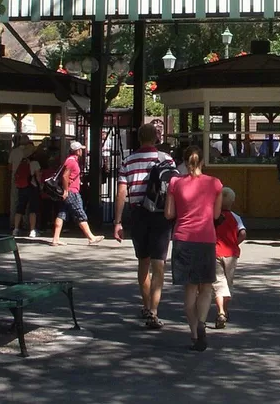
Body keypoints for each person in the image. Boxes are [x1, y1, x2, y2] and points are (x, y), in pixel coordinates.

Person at [114, 123, 177, 330]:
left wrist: (118, 222)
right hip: (160, 216)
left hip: (139, 214)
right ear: (156, 138)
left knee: (143, 262)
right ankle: (154, 310)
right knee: (159, 265)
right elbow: (174, 188)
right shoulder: (166, 159)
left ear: (139, 138)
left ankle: (145, 304)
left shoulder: (128, 161)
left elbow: (122, 193)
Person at [164, 145, 223, 351]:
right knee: (206, 287)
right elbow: (216, 216)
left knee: (189, 289)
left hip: (183, 238)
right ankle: (203, 322)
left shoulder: (174, 183)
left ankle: (194, 333)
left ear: (184, 161)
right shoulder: (215, 184)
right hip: (206, 238)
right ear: (203, 162)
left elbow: (169, 213)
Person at [51, 141, 105, 247]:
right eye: (80, 149)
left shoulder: (70, 160)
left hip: (69, 191)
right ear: (77, 151)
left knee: (62, 214)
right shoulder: (71, 162)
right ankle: (91, 237)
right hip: (72, 192)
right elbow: (65, 176)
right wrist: (66, 190)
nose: (82, 151)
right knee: (80, 213)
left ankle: (55, 239)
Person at [213, 187, 247, 329]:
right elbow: (243, 233)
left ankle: (220, 311)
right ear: (232, 202)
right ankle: (225, 310)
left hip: (215, 252)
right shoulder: (236, 217)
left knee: (218, 282)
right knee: (228, 282)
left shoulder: (213, 216)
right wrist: (235, 243)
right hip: (231, 253)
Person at [12, 149, 42, 238]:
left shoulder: (21, 163)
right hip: (32, 187)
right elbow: (38, 176)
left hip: (21, 188)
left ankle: (16, 229)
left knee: (20, 208)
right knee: (32, 209)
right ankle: (32, 230)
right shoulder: (35, 163)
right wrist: (40, 185)